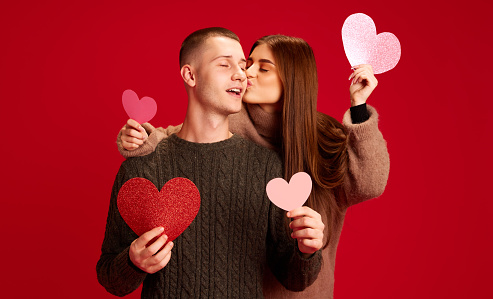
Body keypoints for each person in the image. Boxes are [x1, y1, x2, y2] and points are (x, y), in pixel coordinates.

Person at [117, 35, 390, 298]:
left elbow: (368, 182)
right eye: (249, 63)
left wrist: (359, 106)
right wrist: (142, 137)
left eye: (264, 68)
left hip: (305, 287)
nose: (248, 73)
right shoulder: (232, 120)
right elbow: (182, 138)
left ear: (293, 79)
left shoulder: (323, 139)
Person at [96, 28, 325, 298]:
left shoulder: (267, 168)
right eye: (224, 64)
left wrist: (307, 251)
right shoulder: (142, 166)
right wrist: (133, 263)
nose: (241, 74)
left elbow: (294, 280)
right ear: (190, 75)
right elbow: (109, 275)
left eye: (243, 65)